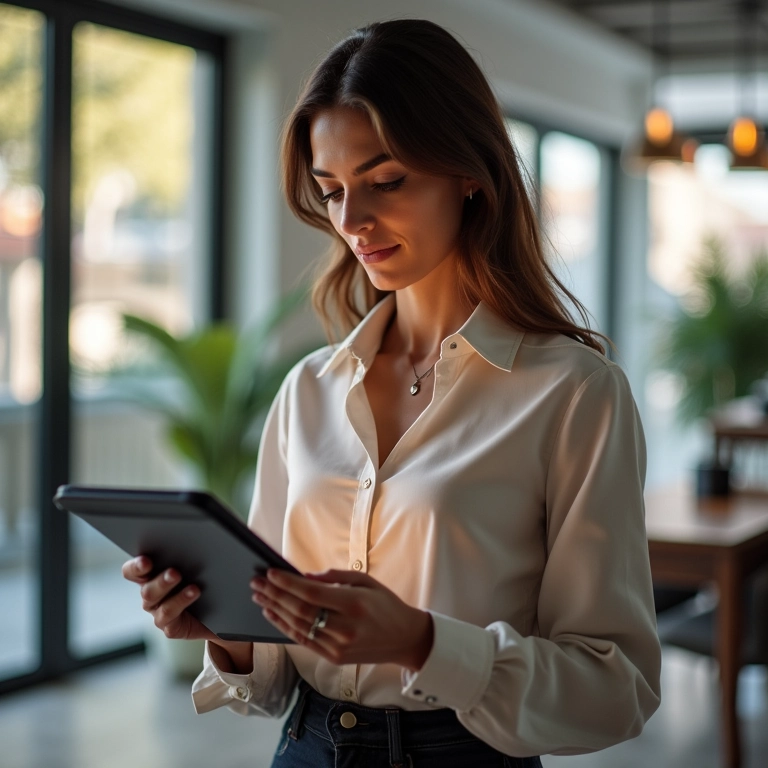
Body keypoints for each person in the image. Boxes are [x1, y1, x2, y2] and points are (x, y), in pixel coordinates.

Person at [122, 18, 661, 768]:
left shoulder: (573, 394)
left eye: (386, 181)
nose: (351, 221)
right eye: (332, 189)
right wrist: (223, 628)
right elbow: (275, 676)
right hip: (305, 747)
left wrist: (421, 641)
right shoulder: (308, 391)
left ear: (470, 171)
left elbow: (617, 687)